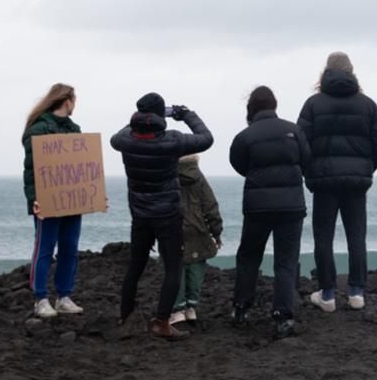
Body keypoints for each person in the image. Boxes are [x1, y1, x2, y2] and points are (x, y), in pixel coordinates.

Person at [109, 94, 213, 339]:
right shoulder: (172, 141)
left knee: (136, 266)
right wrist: (186, 114)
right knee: (173, 268)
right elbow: (206, 138)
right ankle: (162, 322)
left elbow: (119, 135)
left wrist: (143, 119)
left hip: (141, 214)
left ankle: (126, 315)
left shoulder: (124, 140)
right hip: (168, 215)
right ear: (158, 115)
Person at [297, 51, 377, 312]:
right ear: (352, 72)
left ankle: (327, 294)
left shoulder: (313, 104)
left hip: (324, 181)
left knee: (323, 237)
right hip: (356, 183)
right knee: (356, 236)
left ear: (325, 72)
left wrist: (311, 170)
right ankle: (357, 293)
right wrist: (366, 168)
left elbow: (300, 144)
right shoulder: (367, 104)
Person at [229, 86, 311, 339]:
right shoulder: (294, 131)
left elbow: (238, 164)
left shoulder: (245, 136)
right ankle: (283, 316)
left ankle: (242, 308)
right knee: (286, 262)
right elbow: (307, 161)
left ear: (250, 108)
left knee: (249, 257)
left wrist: (259, 177)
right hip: (291, 205)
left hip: (258, 206)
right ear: (274, 105)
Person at [22, 83, 85, 318]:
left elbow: (81, 167)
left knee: (70, 248)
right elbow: (31, 170)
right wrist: (34, 199)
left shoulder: (75, 129)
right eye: (74, 100)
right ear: (67, 100)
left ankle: (64, 296)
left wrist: (93, 192)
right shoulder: (37, 130)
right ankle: (40, 299)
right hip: (47, 202)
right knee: (45, 249)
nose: (75, 105)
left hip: (71, 202)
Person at [174, 154, 223, 324]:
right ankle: (191, 308)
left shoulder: (167, 175)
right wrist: (216, 233)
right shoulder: (199, 178)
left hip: (174, 228)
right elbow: (210, 205)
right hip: (197, 228)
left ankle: (178, 310)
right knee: (195, 268)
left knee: (176, 269)